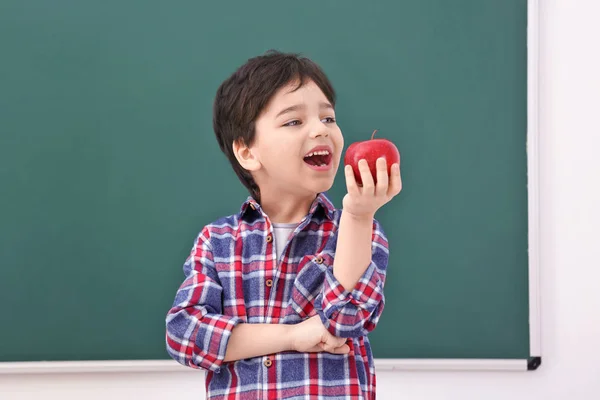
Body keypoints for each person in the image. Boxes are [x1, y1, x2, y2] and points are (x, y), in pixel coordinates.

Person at [165, 50, 402, 399]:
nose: (320, 130)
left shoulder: (359, 232)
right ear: (247, 152)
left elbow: (346, 319)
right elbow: (184, 334)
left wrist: (357, 215)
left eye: (328, 118)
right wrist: (293, 335)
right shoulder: (217, 241)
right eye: (294, 121)